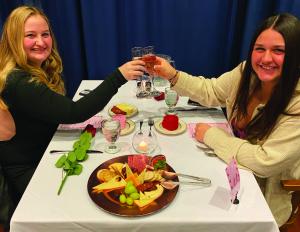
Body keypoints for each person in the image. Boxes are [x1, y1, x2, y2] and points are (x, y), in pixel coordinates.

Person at [151, 13, 300, 227]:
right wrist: (172, 75)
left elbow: (265, 161)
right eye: (260, 49)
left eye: (278, 50)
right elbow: (211, 91)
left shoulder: (296, 102)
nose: (266, 58)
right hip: (226, 167)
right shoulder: (245, 72)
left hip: (262, 197)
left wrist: (212, 136)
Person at [0, 5, 145, 215]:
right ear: (14, 39)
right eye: (30, 35)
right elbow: (73, 113)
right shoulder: (18, 81)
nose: (40, 42)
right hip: (30, 168)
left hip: (46, 151)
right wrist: (118, 77)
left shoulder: (28, 70)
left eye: (45, 34)